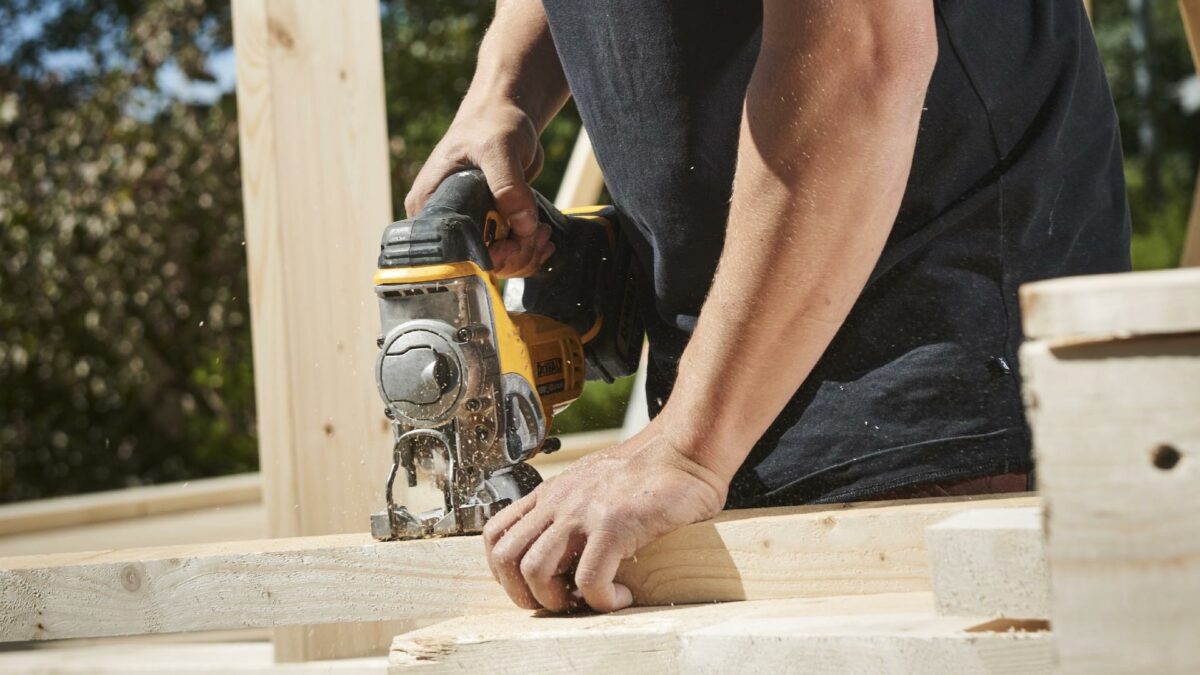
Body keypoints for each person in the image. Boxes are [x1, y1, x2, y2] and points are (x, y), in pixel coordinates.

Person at [405, 0, 1130, 614]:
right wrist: (505, 87)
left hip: (936, 410)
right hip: (725, 420)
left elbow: (858, 55)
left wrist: (689, 446)